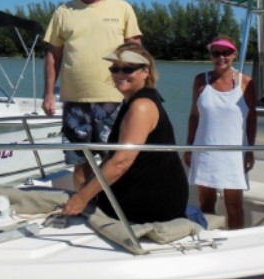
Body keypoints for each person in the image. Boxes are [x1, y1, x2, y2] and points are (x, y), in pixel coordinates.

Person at [42, 0, 142, 191]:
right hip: (75, 101)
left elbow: (137, 52)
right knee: (80, 164)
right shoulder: (63, 11)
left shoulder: (123, 8)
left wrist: (139, 93)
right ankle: (82, 210)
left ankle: (113, 213)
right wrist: (47, 94)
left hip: (114, 100)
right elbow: (53, 55)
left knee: (115, 162)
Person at [62, 43, 187, 224]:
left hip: (153, 205)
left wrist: (81, 199)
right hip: (146, 192)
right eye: (115, 69)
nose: (120, 74)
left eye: (128, 69)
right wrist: (86, 191)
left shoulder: (141, 106)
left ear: (146, 72)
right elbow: (114, 156)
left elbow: (121, 162)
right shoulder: (134, 101)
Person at [184, 36, 257, 229]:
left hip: (234, 154)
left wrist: (250, 150)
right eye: (216, 53)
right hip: (205, 151)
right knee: (205, 202)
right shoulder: (200, 81)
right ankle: (208, 239)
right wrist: (188, 147)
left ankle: (236, 244)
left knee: (234, 205)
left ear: (234, 55)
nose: (221, 57)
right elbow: (194, 115)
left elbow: (251, 118)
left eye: (226, 52)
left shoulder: (246, 83)